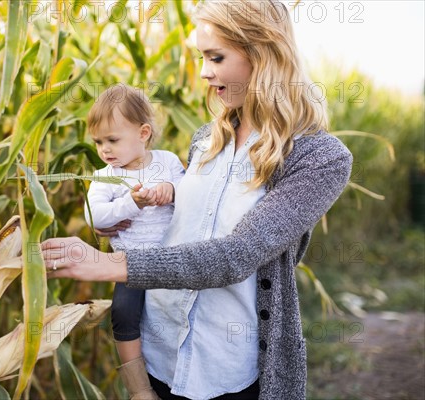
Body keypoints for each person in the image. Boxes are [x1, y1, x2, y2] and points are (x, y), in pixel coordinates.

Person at [42, 1, 353, 399]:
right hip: (159, 356)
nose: (205, 72)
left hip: (229, 372)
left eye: (216, 57)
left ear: (263, 52)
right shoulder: (204, 140)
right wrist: (116, 219)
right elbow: (176, 231)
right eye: (201, 57)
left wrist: (107, 264)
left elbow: (235, 256)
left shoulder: (319, 159)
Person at [84, 84, 185, 400]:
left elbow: (190, 194)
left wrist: (171, 189)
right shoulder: (106, 177)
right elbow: (96, 217)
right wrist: (132, 203)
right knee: (124, 314)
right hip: (129, 266)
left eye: (112, 140)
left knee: (179, 317)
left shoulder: (166, 162)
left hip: (172, 261)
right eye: (98, 142)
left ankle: (182, 375)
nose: (105, 149)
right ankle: (139, 388)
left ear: (143, 133)